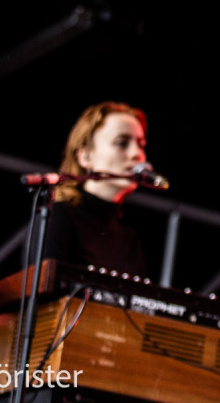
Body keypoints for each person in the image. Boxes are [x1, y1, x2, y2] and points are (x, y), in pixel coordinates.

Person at [43, 101, 150, 276]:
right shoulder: (58, 216)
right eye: (121, 143)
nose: (136, 154)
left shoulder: (131, 238)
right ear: (85, 156)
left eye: (141, 144)